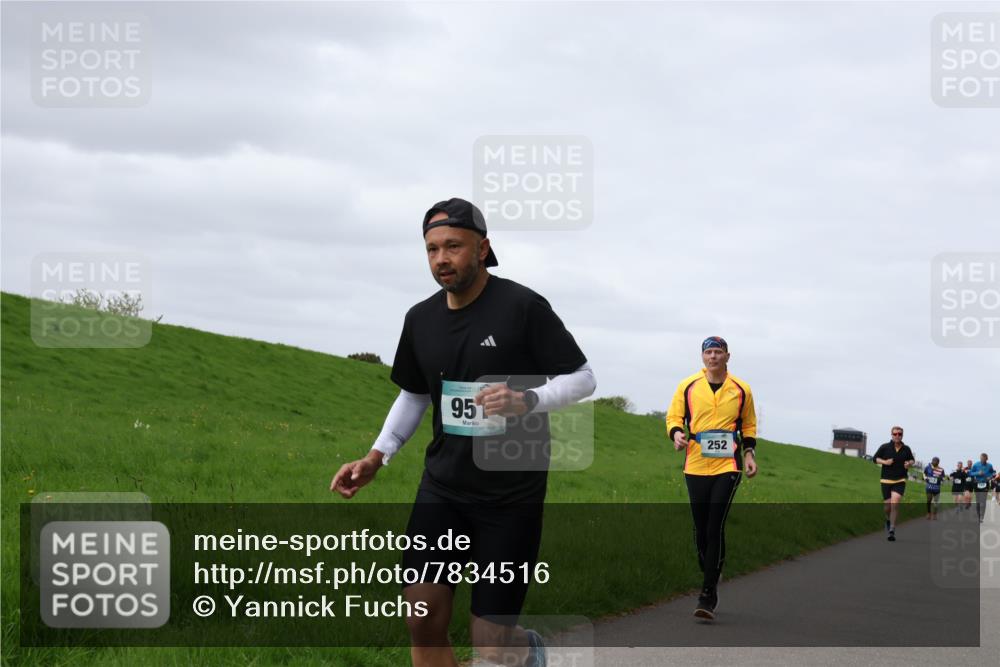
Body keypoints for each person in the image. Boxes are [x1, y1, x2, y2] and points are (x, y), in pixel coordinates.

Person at [330, 197, 596, 667]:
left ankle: (528, 650)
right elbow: (415, 394)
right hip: (444, 488)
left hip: (511, 496)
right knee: (422, 618)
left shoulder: (522, 307)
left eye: (453, 246)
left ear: (483, 248)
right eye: (432, 249)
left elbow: (582, 378)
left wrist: (527, 399)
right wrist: (377, 456)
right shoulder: (420, 320)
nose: (441, 259)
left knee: (492, 644)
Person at [666, 336, 758, 621]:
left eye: (719, 352)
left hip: (728, 465)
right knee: (701, 527)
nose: (714, 357)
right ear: (702, 357)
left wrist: (750, 454)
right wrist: (676, 434)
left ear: (728, 357)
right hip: (695, 462)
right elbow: (673, 417)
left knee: (715, 524)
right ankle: (711, 567)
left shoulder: (741, 389)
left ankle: (708, 593)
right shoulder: (688, 386)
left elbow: (749, 423)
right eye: (709, 352)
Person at [872, 426, 915, 542]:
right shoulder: (885, 447)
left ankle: (892, 530)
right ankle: (887, 519)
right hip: (886, 480)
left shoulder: (906, 449)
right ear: (891, 435)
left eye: (899, 434)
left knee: (895, 502)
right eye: (895, 434)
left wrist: (909, 464)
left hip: (900, 480)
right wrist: (885, 462)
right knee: (887, 507)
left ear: (902, 435)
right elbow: (875, 458)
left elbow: (912, 460)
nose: (897, 436)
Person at [969, 453, 996, 523]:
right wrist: (977, 473)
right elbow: (970, 473)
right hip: (977, 483)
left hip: (985, 484)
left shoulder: (989, 465)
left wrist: (990, 477)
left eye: (983, 459)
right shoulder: (975, 465)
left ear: (986, 459)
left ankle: (981, 516)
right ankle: (978, 516)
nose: (982, 460)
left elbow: (993, 473)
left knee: (983, 501)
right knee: (978, 501)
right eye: (981, 459)